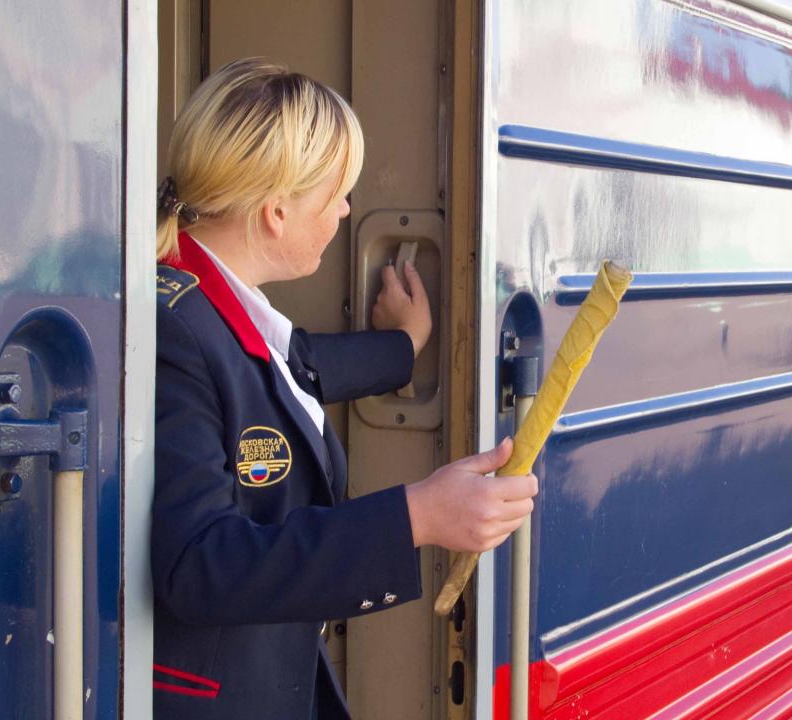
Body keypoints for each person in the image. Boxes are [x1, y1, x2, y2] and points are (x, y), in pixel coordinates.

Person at [151, 58, 537, 720]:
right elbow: (198, 564)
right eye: (337, 194)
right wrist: (417, 516)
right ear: (277, 211)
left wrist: (402, 347)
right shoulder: (178, 333)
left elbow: (290, 366)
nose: (346, 210)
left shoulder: (200, 303)